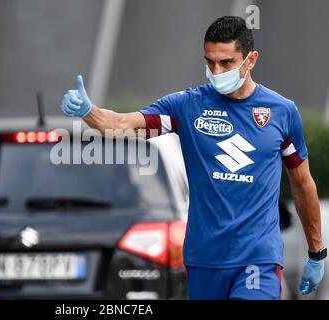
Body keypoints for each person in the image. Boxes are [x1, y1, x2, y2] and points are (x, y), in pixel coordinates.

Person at [60, 16, 326, 300]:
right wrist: (89, 112)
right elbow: (124, 124)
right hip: (203, 259)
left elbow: (302, 184)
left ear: (251, 60)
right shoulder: (186, 106)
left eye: (226, 63)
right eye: (209, 62)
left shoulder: (282, 112)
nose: (216, 71)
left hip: (257, 259)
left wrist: (316, 253)